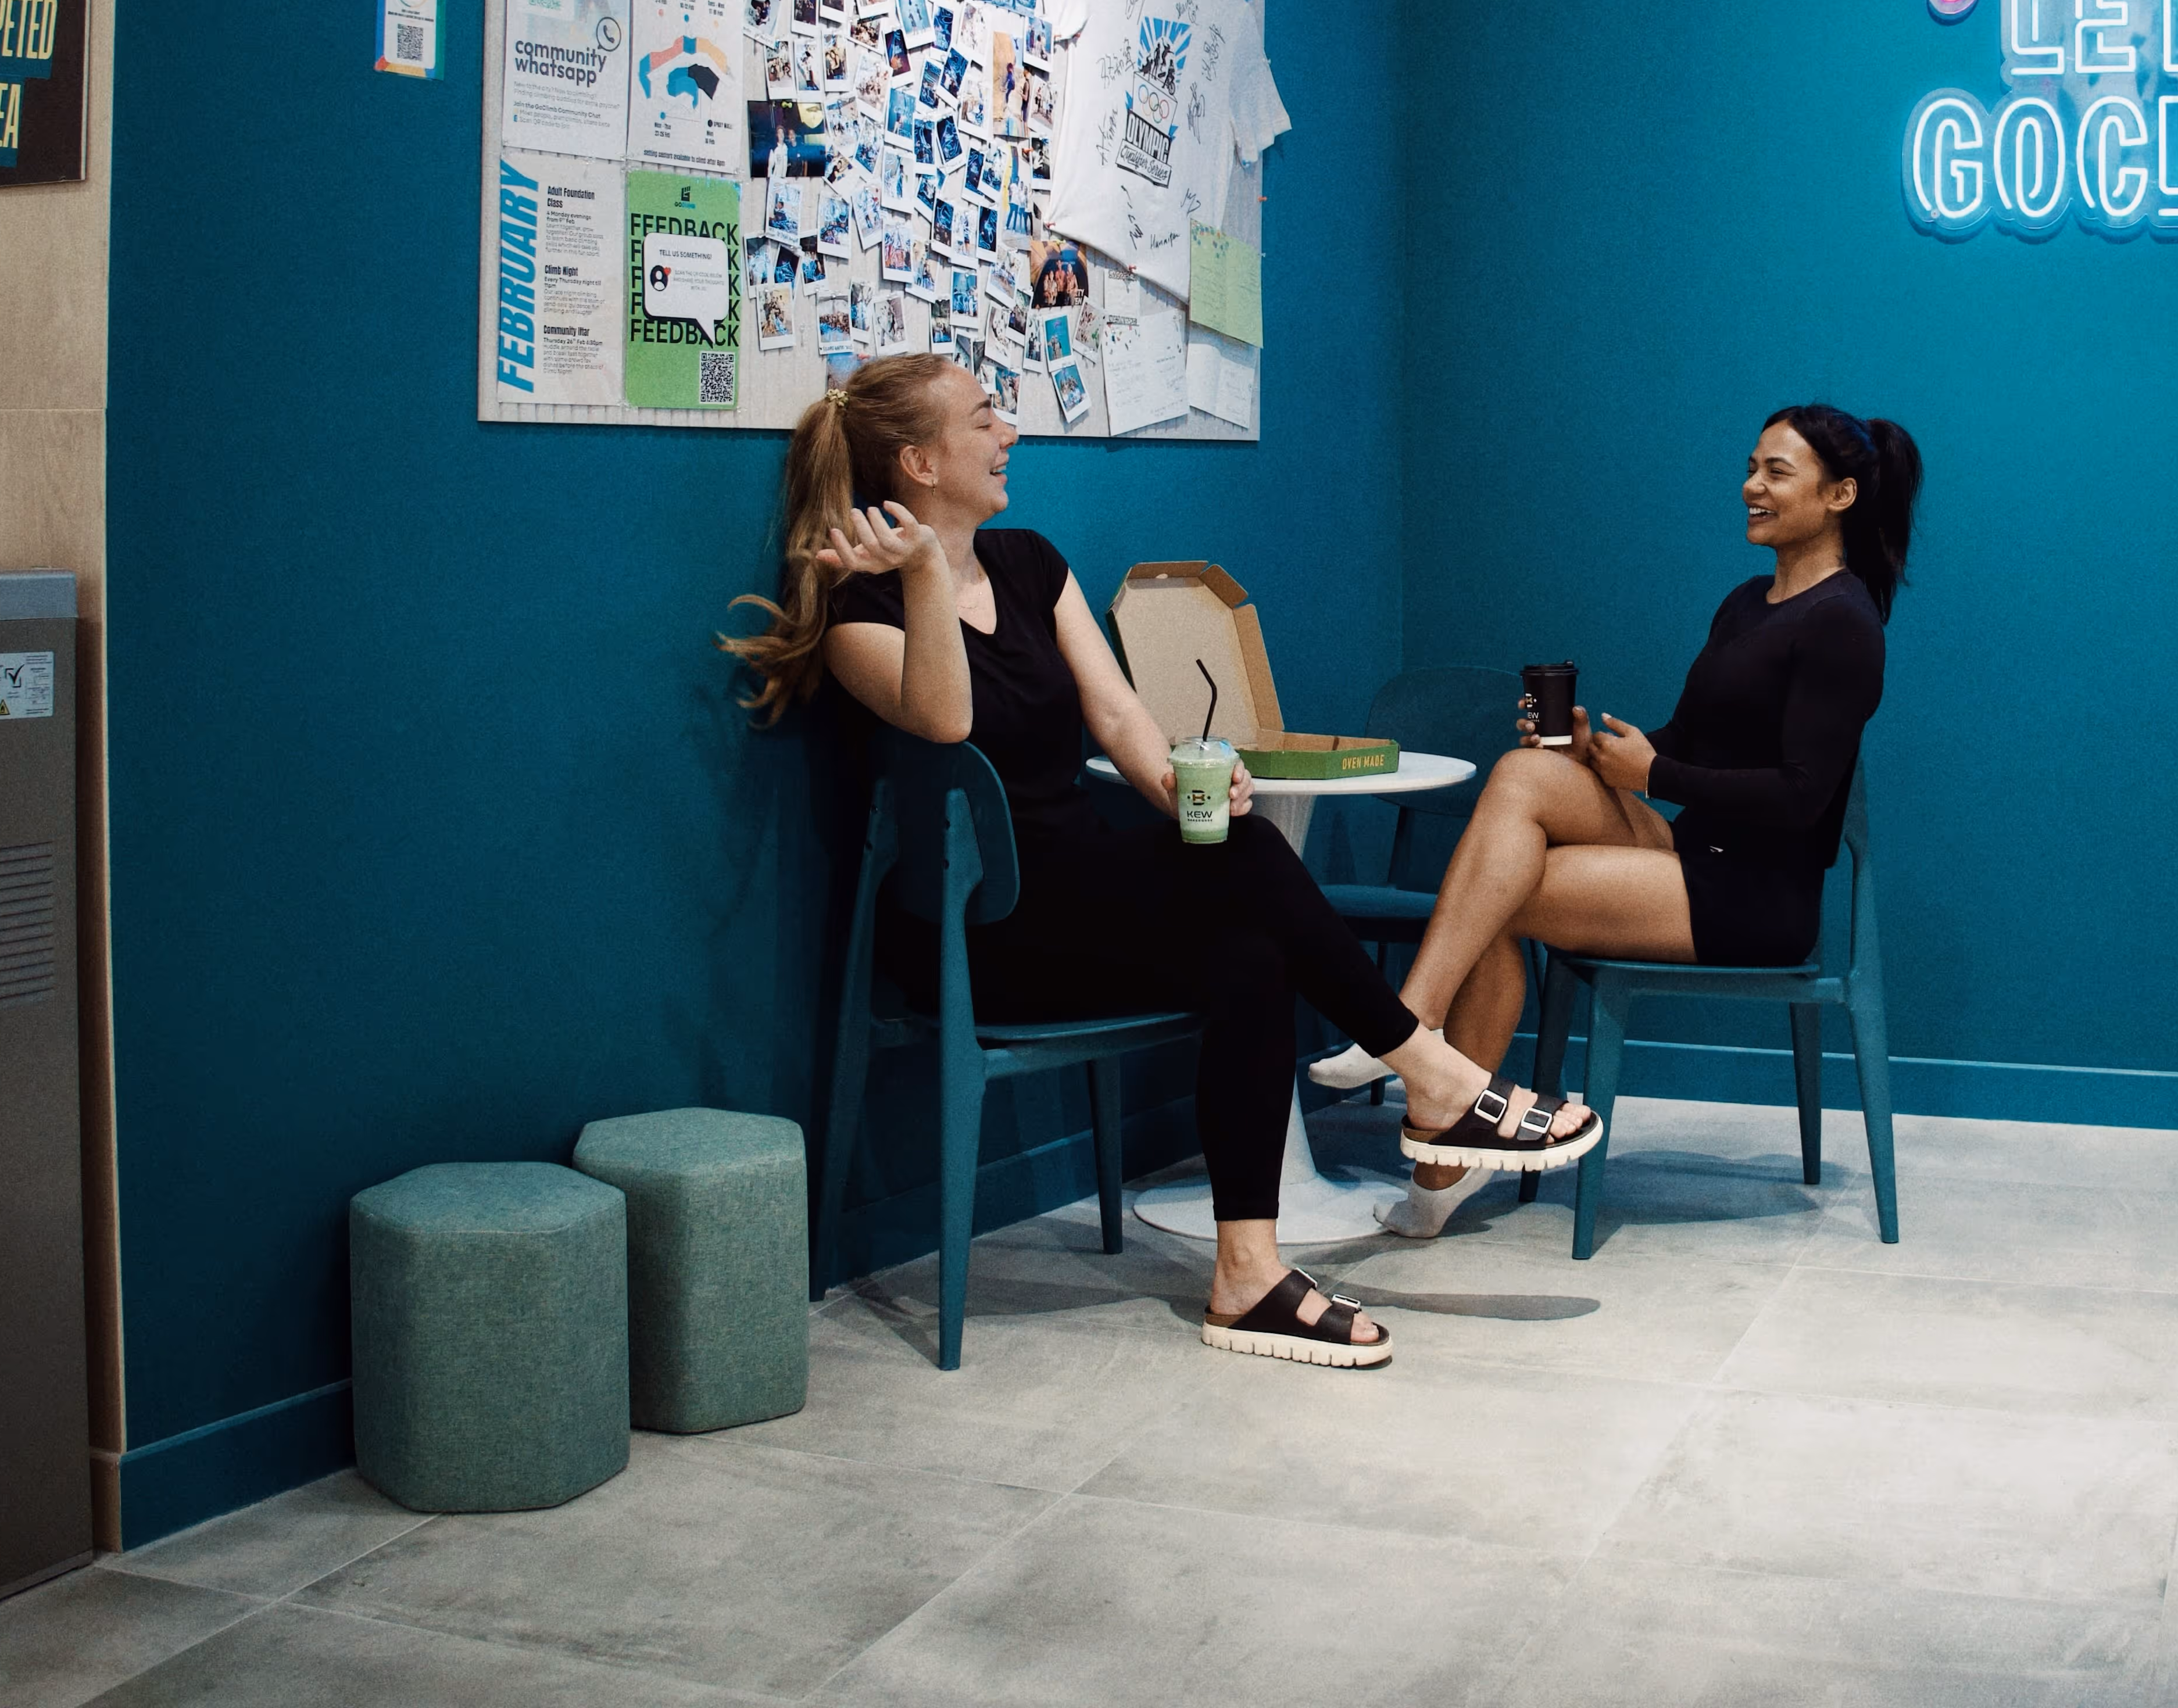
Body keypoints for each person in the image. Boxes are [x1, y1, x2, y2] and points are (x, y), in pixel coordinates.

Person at [719, 354, 1595, 1368]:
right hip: (984, 933)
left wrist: (1189, 780)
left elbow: (1120, 710)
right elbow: (946, 718)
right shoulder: (855, 618)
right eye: (986, 417)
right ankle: (1432, 1076)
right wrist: (919, 572)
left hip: (1088, 901)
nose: (1011, 433)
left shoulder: (1032, 564)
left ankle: (1246, 1275)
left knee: (1249, 943)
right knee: (1249, 873)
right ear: (918, 463)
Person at [1319, 403, 1919, 1236]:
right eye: (1750, 466)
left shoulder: (1846, 625)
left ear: (1841, 495)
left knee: (1500, 887)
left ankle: (1433, 1126)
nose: (1751, 486)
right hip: (1687, 849)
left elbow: (1801, 797)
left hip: (1755, 896)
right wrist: (1595, 750)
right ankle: (1421, 1050)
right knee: (1527, 771)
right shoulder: (1749, 601)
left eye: (1777, 473)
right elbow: (1691, 740)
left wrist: (1659, 773)